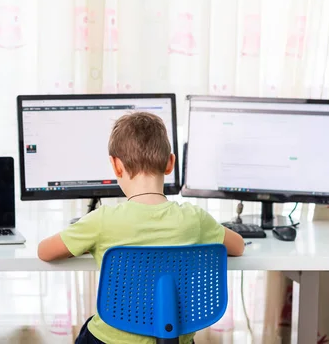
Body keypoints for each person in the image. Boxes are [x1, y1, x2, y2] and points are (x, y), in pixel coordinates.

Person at [38, 112, 245, 344]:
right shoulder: (195, 219)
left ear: (116, 166)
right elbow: (238, 246)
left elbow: (44, 252)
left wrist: (87, 245)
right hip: (176, 338)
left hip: (111, 339)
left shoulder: (102, 220)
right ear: (170, 163)